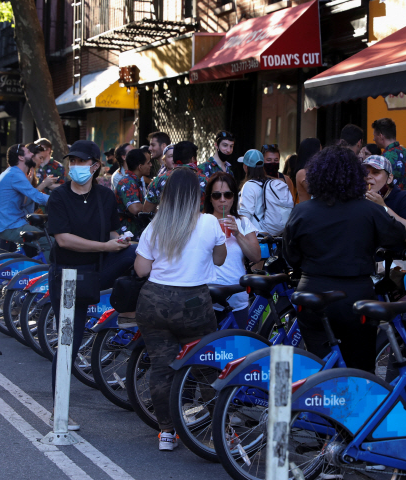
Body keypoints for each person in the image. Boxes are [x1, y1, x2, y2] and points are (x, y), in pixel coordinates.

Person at [283, 146, 406, 373]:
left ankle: (313, 405)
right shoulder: (369, 210)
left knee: (317, 368)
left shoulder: (302, 211)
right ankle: (352, 406)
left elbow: (291, 257)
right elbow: (398, 236)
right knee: (358, 369)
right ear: (355, 177)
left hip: (312, 292)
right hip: (355, 296)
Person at [134, 167, 226, 450]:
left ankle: (165, 433)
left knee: (162, 369)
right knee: (206, 367)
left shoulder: (156, 224)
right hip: (193, 305)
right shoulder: (210, 223)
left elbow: (140, 270)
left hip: (154, 302)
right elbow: (220, 260)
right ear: (197, 195)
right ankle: (219, 430)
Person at [47, 140, 137, 429]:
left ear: (96, 165)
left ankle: (131, 312)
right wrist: (105, 246)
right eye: (72, 161)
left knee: (138, 252)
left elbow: (112, 234)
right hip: (69, 276)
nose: (76, 166)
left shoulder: (105, 196)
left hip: (98, 270)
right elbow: (63, 239)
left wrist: (120, 242)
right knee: (69, 343)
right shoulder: (59, 196)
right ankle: (59, 408)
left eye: (81, 161)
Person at [205, 172, 261, 328]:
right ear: (210, 198)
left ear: (234, 197)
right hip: (208, 299)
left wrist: (237, 233)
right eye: (217, 195)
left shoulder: (243, 222)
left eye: (228, 194)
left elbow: (256, 256)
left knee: (238, 348)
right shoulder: (202, 222)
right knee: (210, 350)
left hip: (237, 297)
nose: (222, 200)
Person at [0, 144, 55, 258]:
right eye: (29, 152)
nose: (32, 154)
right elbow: (37, 196)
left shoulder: (12, 173)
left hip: (7, 224)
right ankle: (50, 274)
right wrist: (63, 201)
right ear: (21, 157)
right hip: (11, 225)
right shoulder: (16, 175)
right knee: (53, 244)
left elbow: (28, 200)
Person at [364, 155, 406, 250]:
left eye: (376, 173)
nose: (368, 177)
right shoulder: (359, 201)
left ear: (389, 178)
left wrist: (383, 207)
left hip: (402, 262)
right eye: (365, 173)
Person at [239, 149, 294, 236]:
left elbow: (245, 216)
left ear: (245, 167)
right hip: (273, 237)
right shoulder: (269, 182)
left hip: (257, 236)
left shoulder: (249, 185)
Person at [143, 141, 208, 213]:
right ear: (193, 159)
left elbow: (146, 210)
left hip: (167, 223)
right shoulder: (204, 181)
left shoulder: (159, 180)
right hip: (197, 223)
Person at [372, 118, 406, 197]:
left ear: (380, 136)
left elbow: (380, 188)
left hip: (390, 207)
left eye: (374, 136)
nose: (373, 139)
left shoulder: (384, 158)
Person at [115, 148, 152, 237]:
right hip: (127, 234)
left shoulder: (134, 181)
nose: (151, 165)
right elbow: (135, 208)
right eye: (148, 163)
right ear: (140, 167)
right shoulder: (127, 182)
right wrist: (151, 207)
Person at [294, 138, 322, 203]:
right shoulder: (302, 172)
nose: (323, 154)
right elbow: (316, 192)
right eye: (320, 150)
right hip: (309, 211)